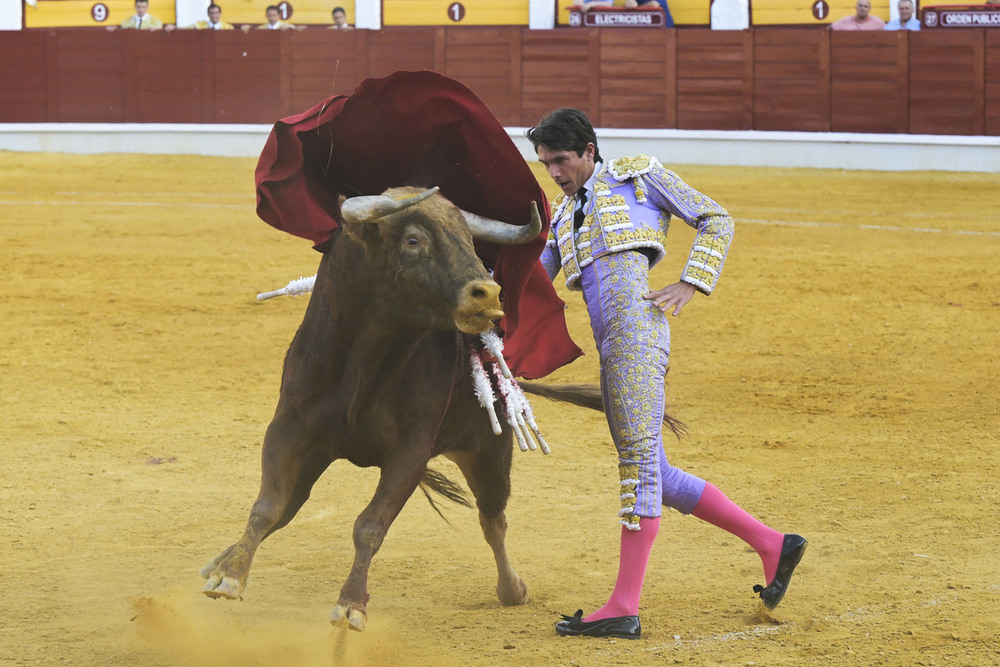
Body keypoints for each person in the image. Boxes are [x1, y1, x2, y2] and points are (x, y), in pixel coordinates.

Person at [526, 108, 807, 639]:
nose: (554, 172)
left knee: (637, 466)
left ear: (588, 149)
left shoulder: (637, 174)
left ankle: (624, 606)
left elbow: (715, 217)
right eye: (545, 164)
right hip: (611, 344)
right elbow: (531, 282)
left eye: (561, 160)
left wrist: (691, 282)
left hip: (638, 333)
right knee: (657, 469)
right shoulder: (563, 218)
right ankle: (774, 544)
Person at [166, 3, 234, 30]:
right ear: (208, 15)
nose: (214, 15)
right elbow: (186, 29)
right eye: (211, 13)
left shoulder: (227, 27)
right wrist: (175, 28)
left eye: (216, 13)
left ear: (220, 14)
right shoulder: (200, 25)